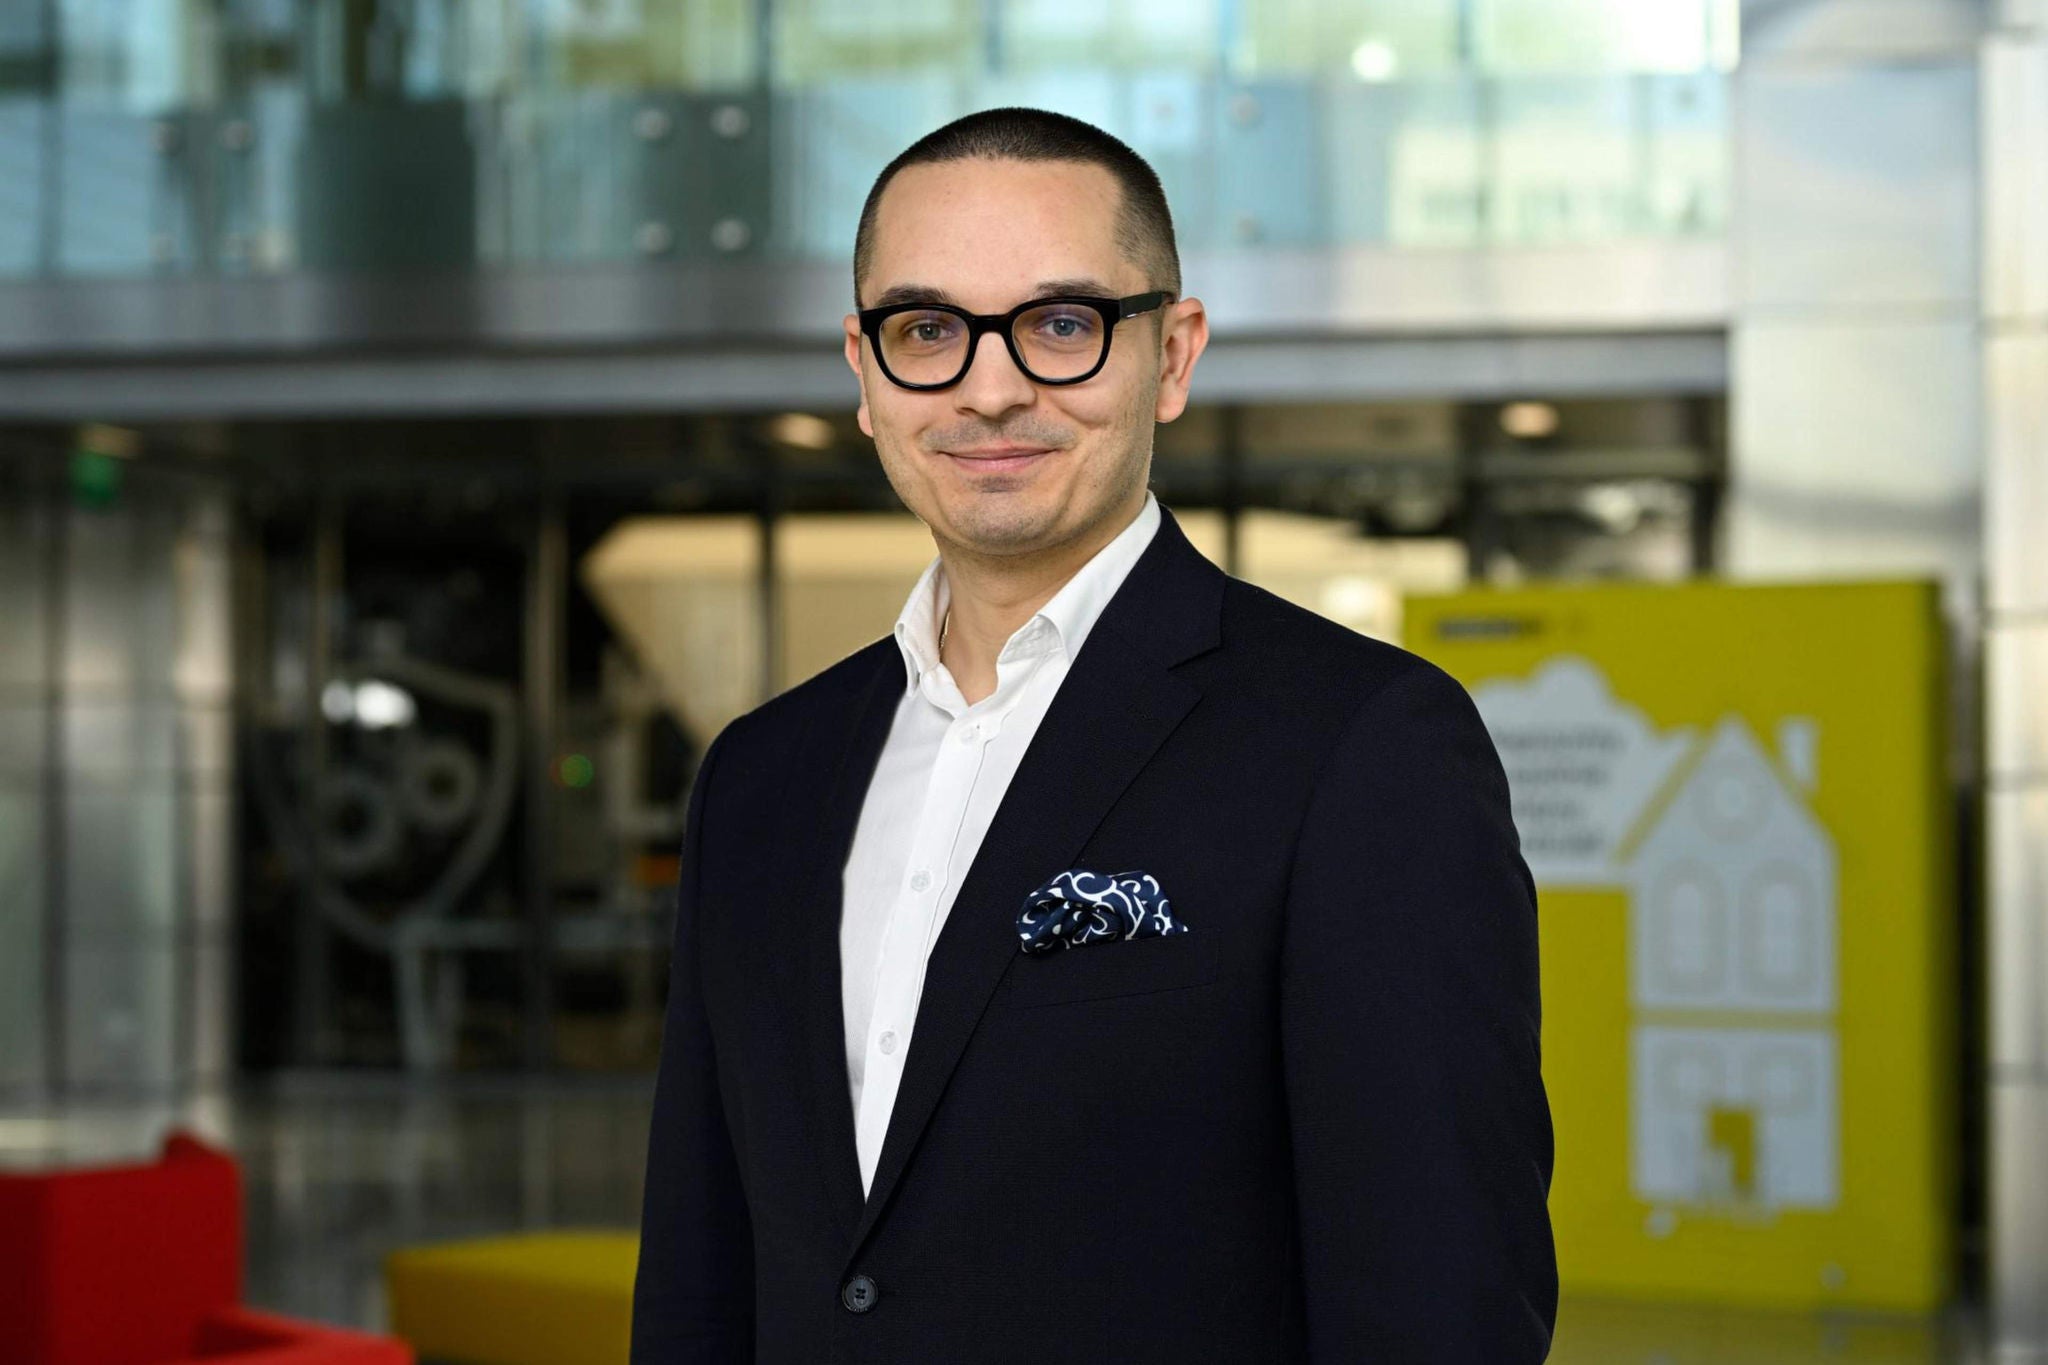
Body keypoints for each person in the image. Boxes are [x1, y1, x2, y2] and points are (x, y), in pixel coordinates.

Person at [632, 106, 1556, 1363]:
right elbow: (700, 1271)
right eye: (926, 330)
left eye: (1062, 324)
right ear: (863, 373)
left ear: (1171, 355)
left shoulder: (1359, 747)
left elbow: (1438, 1302)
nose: (990, 388)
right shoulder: (760, 775)